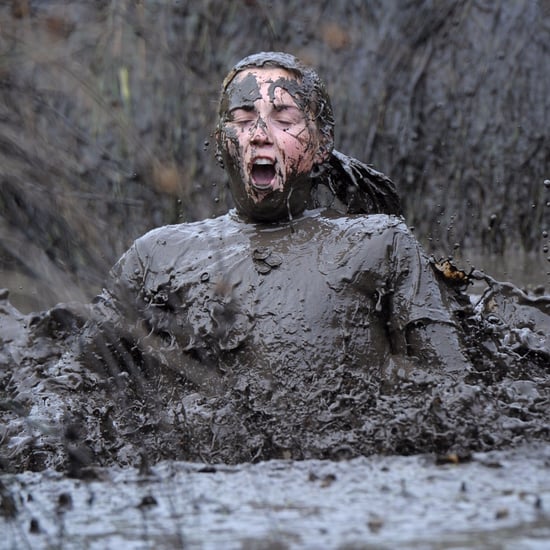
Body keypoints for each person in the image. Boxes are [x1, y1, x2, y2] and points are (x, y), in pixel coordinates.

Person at [75, 51, 475, 462]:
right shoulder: (156, 254)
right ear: (220, 143)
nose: (260, 133)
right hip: (206, 489)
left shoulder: (380, 243)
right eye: (244, 119)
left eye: (284, 120)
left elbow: (453, 390)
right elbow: (73, 384)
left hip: (340, 484)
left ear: (321, 146)